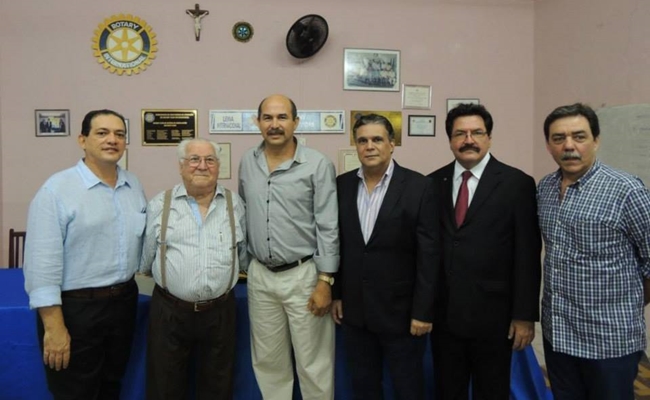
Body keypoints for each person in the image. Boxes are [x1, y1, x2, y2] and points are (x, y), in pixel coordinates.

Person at [23, 109, 146, 399]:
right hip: (76, 310)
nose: (112, 140)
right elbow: (41, 264)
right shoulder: (56, 190)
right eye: (102, 133)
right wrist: (54, 326)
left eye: (119, 134)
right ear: (82, 140)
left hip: (123, 304)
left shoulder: (133, 185)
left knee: (111, 387)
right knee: (75, 392)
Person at [428, 103, 541, 400]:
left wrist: (524, 316)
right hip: (444, 316)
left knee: (491, 391)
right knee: (446, 390)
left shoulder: (517, 184)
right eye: (460, 134)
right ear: (450, 140)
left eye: (477, 132)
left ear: (489, 137)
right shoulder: (432, 183)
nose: (469, 140)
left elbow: (527, 255)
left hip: (495, 318)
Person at [538, 103, 650, 400]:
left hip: (609, 341)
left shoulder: (626, 190)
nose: (569, 146)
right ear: (549, 145)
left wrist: (627, 304)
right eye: (559, 138)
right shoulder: (545, 189)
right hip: (558, 336)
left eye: (579, 136)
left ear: (596, 140)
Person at [238, 94, 339, 400]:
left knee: (313, 364)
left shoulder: (317, 164)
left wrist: (325, 280)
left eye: (282, 117)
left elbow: (328, 224)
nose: (275, 124)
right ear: (257, 122)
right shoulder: (247, 162)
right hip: (260, 276)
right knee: (269, 363)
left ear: (296, 122)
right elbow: (243, 212)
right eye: (267, 118)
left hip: (304, 276)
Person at [332, 114, 438, 399]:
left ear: (392, 144)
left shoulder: (419, 187)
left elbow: (429, 255)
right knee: (364, 388)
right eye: (362, 140)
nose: (369, 146)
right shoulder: (341, 185)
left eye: (377, 139)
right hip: (356, 314)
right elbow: (337, 244)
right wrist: (337, 294)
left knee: (408, 388)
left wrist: (423, 311)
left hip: (402, 315)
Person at [140, 138, 247, 399]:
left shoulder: (234, 204)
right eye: (194, 159)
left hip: (220, 312)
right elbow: (146, 260)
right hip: (170, 311)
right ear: (181, 166)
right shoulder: (160, 204)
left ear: (218, 166)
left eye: (210, 160)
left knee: (217, 387)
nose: (202, 166)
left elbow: (242, 256)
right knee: (165, 387)